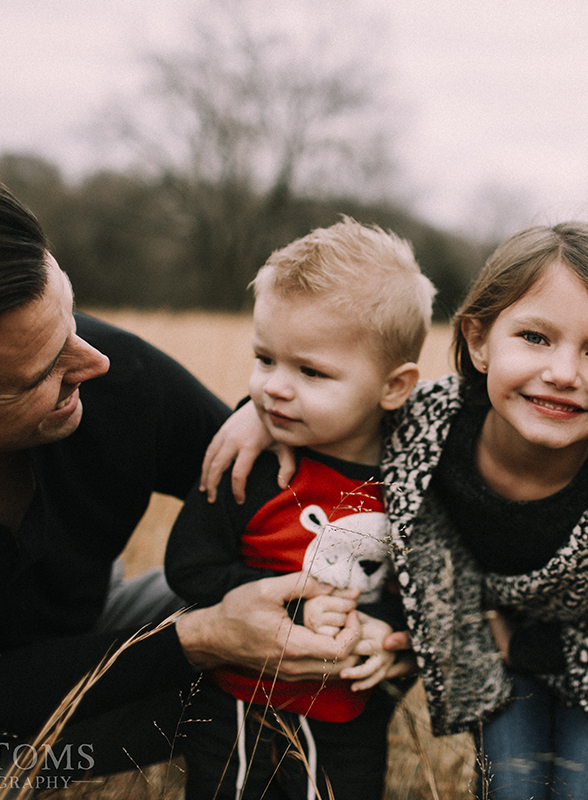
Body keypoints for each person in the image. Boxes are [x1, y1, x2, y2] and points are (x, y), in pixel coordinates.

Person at [204, 221, 588, 800]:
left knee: (587, 791)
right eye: (535, 337)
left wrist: (512, 641)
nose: (563, 373)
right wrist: (257, 411)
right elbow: (341, 401)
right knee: (512, 785)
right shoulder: (426, 421)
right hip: (496, 656)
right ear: (478, 341)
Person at [0, 149, 389, 796]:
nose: (93, 360)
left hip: (102, 635)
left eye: (69, 316)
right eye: (44, 372)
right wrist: (201, 639)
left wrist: (269, 416)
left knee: (323, 597)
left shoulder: (113, 377)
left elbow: (288, 504)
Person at [164, 219, 434, 800]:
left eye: (311, 372)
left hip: (351, 717)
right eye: (265, 360)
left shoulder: (417, 482)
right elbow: (190, 567)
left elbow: (431, 590)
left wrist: (388, 632)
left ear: (394, 386)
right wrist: (288, 607)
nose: (276, 388)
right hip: (237, 707)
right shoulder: (249, 466)